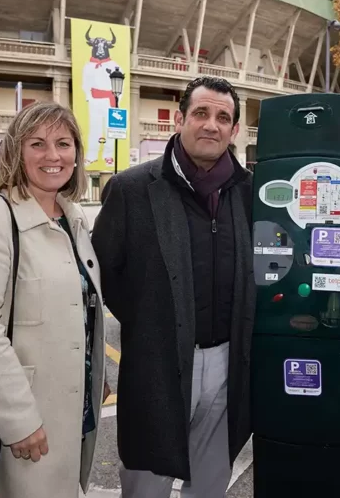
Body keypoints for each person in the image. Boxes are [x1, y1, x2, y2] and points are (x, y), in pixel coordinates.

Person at [0, 102, 107, 498]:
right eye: (37, 143)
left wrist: (94, 374)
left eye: (63, 143)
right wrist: (19, 420)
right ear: (15, 151)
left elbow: (77, 309)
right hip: (14, 417)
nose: (53, 155)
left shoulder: (73, 217)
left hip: (66, 406)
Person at [92, 76, 254, 498]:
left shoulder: (248, 192)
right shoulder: (130, 189)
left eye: (223, 118)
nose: (211, 125)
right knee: (146, 482)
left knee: (210, 483)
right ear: (179, 120)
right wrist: (151, 324)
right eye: (201, 113)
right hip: (156, 365)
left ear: (235, 129)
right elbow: (102, 276)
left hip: (227, 364)